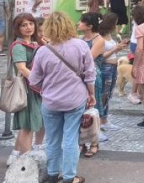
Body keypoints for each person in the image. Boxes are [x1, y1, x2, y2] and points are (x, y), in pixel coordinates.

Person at [29, 12, 96, 183]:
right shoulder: (81, 46)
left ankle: (52, 173)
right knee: (71, 139)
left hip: (51, 101)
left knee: (52, 139)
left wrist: (46, 88)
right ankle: (69, 177)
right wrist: (91, 94)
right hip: (75, 99)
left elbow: (34, 80)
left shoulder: (42, 51)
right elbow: (89, 74)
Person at [6, 14, 47, 166]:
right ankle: (25, 162)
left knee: (38, 122)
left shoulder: (37, 43)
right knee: (28, 125)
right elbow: (22, 68)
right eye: (24, 25)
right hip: (28, 90)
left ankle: (17, 155)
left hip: (37, 89)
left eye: (31, 23)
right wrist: (40, 82)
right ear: (17, 29)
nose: (29, 27)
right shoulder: (19, 46)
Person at [77, 13, 104, 155]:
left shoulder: (99, 40)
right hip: (80, 76)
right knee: (80, 110)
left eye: (82, 22)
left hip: (93, 76)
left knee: (94, 108)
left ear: (90, 26)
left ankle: (95, 142)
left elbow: (88, 59)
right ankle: (81, 142)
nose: (78, 23)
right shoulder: (80, 39)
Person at [98, 13, 126, 132]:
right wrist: (116, 48)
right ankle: (100, 120)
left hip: (113, 67)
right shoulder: (100, 37)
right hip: (106, 67)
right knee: (104, 94)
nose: (117, 25)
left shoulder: (110, 35)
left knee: (108, 94)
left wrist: (119, 47)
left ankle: (105, 119)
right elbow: (100, 57)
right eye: (116, 23)